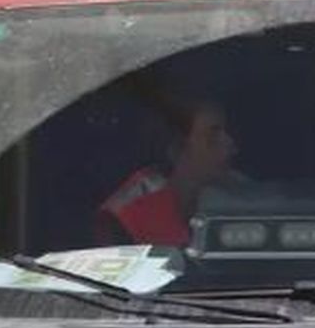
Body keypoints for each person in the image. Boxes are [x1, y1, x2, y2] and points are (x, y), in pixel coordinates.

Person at [98, 95, 239, 248]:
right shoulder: (126, 215)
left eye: (227, 133)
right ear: (177, 148)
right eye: (212, 138)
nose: (230, 146)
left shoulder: (245, 196)